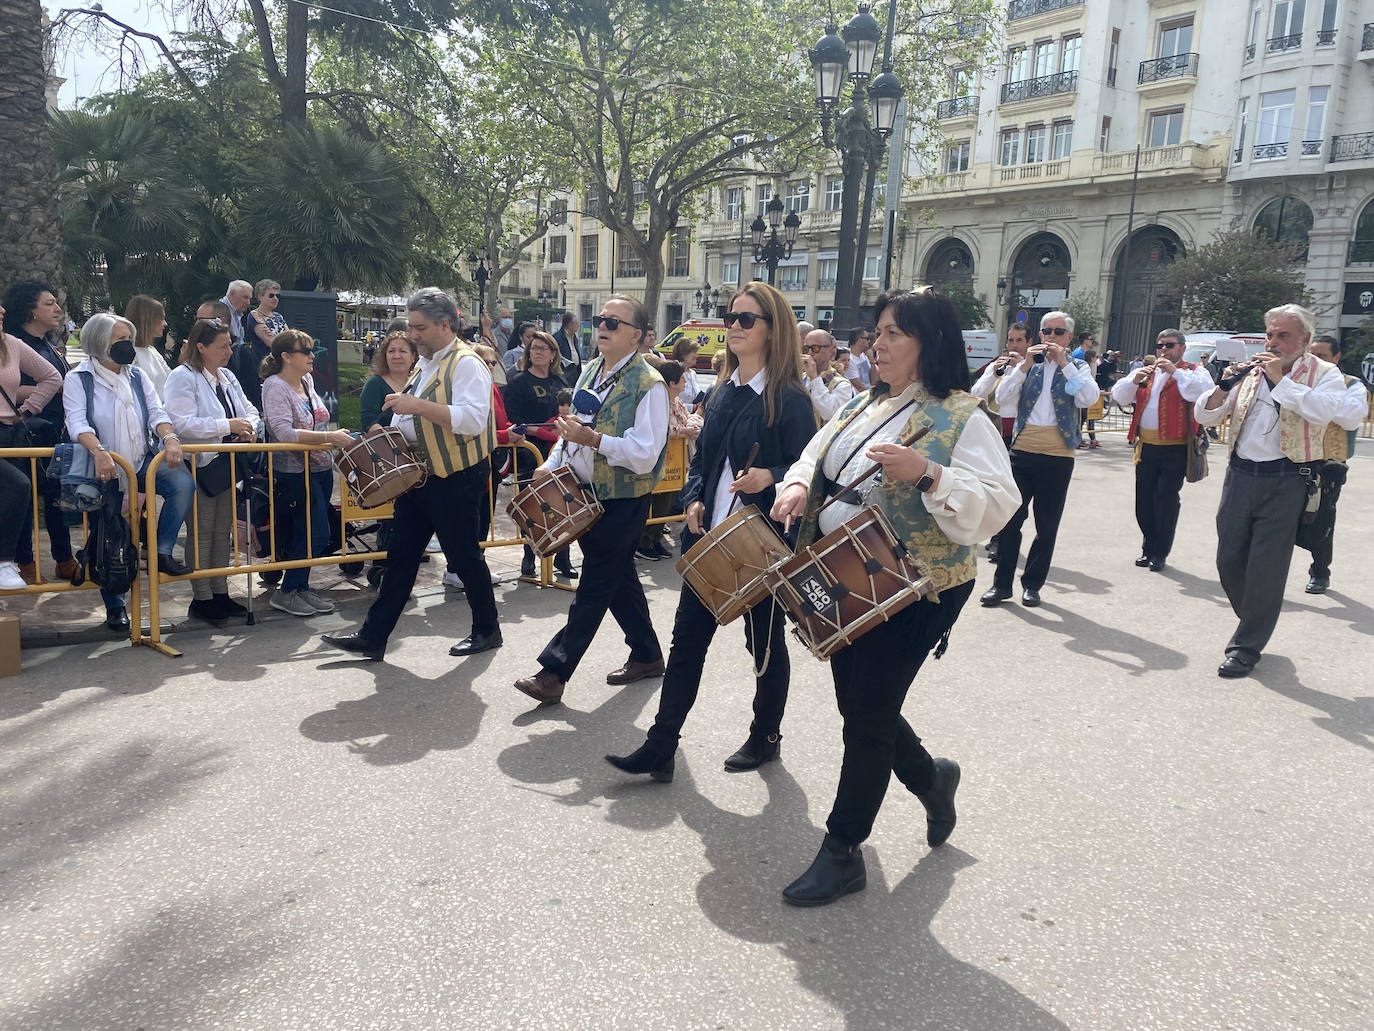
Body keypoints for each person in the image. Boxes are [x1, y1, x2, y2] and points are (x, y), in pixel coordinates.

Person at [770, 289, 1019, 906]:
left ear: (928, 344)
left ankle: (843, 849)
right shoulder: (862, 403)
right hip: (843, 576)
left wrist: (930, 474)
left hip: (920, 587)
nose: (876, 345)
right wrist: (800, 485)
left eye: (893, 335)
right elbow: (813, 453)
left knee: (869, 713)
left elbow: (1000, 504)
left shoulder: (963, 416)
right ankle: (932, 779)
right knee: (860, 706)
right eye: (876, 332)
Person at [606, 281, 816, 781]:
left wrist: (775, 476)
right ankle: (661, 745)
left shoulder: (787, 398)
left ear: (772, 330)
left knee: (762, 647)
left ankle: (766, 736)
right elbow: (702, 460)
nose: (734, 327)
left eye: (746, 319)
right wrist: (693, 497)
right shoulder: (722, 388)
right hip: (709, 539)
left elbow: (812, 469)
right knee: (686, 644)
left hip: (760, 545)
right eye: (731, 317)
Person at [323, 288, 501, 661]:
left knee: (464, 555)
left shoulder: (466, 363)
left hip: (456, 474)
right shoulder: (428, 361)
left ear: (444, 324)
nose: (412, 334)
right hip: (420, 475)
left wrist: (415, 405)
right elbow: (411, 417)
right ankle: (374, 636)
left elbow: (471, 420)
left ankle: (488, 629)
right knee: (401, 555)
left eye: (419, 328)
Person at [512, 295, 669, 704]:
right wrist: (552, 462)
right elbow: (571, 431)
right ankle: (648, 655)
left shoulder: (650, 384)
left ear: (636, 335)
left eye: (614, 322)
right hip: (581, 493)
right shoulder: (590, 372)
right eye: (600, 319)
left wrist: (595, 441)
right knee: (618, 580)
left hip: (623, 499)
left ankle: (554, 671)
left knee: (596, 583)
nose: (602, 326)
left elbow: (645, 454)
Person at [1193, 304, 1347, 678]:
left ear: (1305, 341)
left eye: (1283, 336)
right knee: (1228, 560)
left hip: (1287, 479)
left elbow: (1325, 411)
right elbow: (1206, 417)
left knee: (1266, 567)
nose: (1274, 343)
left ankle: (1245, 646)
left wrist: (1281, 381)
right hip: (1241, 476)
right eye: (1271, 335)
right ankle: (1257, 619)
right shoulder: (1251, 372)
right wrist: (1222, 385)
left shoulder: (1326, 374)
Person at [62, 313, 197, 630]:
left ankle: (162, 551)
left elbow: (156, 411)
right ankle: (115, 607)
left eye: (128, 338)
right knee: (110, 536)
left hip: (140, 462)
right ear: (99, 342)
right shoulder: (78, 378)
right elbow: (77, 421)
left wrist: (171, 438)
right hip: (104, 470)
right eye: (119, 339)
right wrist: (99, 452)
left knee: (182, 483)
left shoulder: (137, 375)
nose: (127, 345)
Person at [983, 310, 1099, 608]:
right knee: (1011, 521)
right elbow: (1002, 398)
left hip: (1058, 454)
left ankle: (1032, 585)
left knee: (1047, 525)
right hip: (1022, 450)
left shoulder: (1078, 366)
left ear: (1069, 338)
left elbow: (1088, 398)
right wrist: (1021, 367)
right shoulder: (1028, 366)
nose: (1050, 338)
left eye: (1057, 333)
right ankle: (1002, 585)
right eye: (1046, 332)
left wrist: (1065, 365)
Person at [163, 319, 262, 623]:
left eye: (230, 345)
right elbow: (180, 422)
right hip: (201, 464)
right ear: (201, 347)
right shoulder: (183, 377)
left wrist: (248, 428)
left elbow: (250, 410)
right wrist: (227, 426)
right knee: (202, 533)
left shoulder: (228, 376)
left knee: (222, 532)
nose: (228, 351)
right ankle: (202, 597)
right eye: (222, 346)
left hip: (228, 465)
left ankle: (220, 592)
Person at [259, 329, 354, 617]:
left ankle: (299, 587)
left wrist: (330, 440)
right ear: (286, 356)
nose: (312, 356)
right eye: (306, 351)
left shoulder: (307, 380)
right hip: (294, 471)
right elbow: (283, 431)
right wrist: (330, 439)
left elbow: (318, 420)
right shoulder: (275, 386)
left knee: (313, 532)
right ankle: (290, 590)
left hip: (321, 466)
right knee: (314, 531)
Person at [1111, 329, 1215, 573]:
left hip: (1175, 447)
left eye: (1169, 345)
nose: (1164, 350)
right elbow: (1120, 396)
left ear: (1181, 347)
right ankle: (1149, 545)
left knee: (1165, 498)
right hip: (1146, 446)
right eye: (1160, 346)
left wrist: (1175, 372)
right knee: (1143, 500)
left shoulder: (1194, 371)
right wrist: (1134, 379)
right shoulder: (1147, 372)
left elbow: (1201, 393)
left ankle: (1160, 551)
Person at [3, 278, 76, 583]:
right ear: (30, 310)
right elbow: (12, 387)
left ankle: (64, 557)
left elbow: (56, 379)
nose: (57, 308)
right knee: (24, 492)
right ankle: (23, 562)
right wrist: (30, 402)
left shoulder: (51, 346)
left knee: (57, 495)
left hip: (52, 430)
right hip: (22, 431)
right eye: (49, 303)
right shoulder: (12, 342)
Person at [1299, 334, 1369, 594]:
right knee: (1280, 517)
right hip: (1296, 457)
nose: (1316, 361)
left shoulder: (1352, 385)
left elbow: (1350, 419)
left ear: (1337, 358)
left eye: (1323, 356)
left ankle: (1320, 571)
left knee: (1323, 516)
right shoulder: (1299, 380)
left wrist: (1309, 402)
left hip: (1329, 463)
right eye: (1312, 355)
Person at [502, 329, 573, 578]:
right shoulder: (518, 382)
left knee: (563, 505)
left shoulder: (560, 383)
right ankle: (529, 556)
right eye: (534, 348)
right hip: (530, 452)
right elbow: (513, 418)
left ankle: (563, 558)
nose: (538, 352)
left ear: (554, 354)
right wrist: (539, 432)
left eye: (544, 348)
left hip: (559, 452)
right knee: (532, 508)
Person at [0, 315, 62, 591]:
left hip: (8, 433)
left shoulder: (10, 343)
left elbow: (51, 377)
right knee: (18, 485)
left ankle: (8, 563)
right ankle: (5, 562)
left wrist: (27, 409)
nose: (2, 310)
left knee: (18, 496)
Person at [233, 280, 287, 413]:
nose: (275, 299)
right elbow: (270, 341)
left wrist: (281, 340)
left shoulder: (279, 317)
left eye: (277, 296)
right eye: (271, 295)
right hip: (265, 367)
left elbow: (290, 339)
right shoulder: (255, 315)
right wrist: (283, 340)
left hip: (283, 366)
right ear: (260, 297)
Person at [359, 331, 417, 432]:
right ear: (385, 356)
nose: (396, 356)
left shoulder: (420, 382)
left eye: (402, 351)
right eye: (391, 351)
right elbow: (369, 421)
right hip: (388, 445)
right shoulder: (375, 384)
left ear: (413, 357)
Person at [802, 329, 855, 422]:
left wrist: (815, 379)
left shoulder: (842, 384)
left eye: (815, 348)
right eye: (806, 349)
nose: (809, 353)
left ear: (831, 350)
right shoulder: (799, 379)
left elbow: (830, 414)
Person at [124, 295, 172, 397]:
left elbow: (172, 380)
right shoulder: (129, 354)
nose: (165, 324)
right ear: (148, 320)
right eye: (161, 318)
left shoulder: (152, 351)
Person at [553, 310, 584, 383]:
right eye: (576, 323)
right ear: (570, 325)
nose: (578, 325)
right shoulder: (557, 337)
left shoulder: (574, 337)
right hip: (565, 373)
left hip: (576, 372)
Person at [219, 280, 253, 345]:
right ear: (232, 293)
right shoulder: (219, 311)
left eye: (249, 299)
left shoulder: (236, 312)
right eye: (245, 297)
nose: (248, 303)